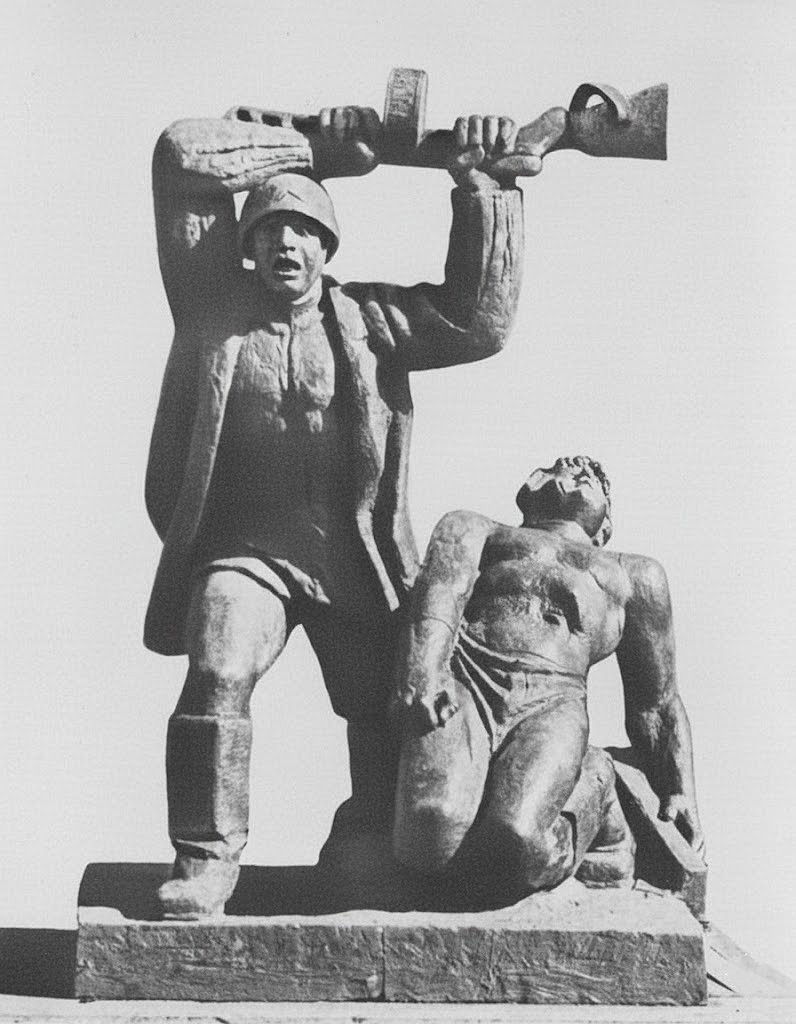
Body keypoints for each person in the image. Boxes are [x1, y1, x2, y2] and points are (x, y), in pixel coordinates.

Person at [145, 102, 540, 918]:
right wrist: (315, 148)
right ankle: (206, 858)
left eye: (303, 230)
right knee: (217, 669)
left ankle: (370, 844)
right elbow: (181, 155)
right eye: (267, 229)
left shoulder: (372, 322)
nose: (285, 243)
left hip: (354, 556)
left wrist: (483, 187)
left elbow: (479, 323)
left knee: (386, 708)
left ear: (328, 248)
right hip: (247, 550)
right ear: (244, 245)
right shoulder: (209, 305)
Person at [392, 456, 704, 905]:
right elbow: (442, 592)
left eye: (596, 480)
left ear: (606, 526)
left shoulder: (633, 575)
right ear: (532, 484)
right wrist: (425, 667)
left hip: (552, 704)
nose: (581, 469)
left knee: (516, 842)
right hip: (467, 684)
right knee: (427, 835)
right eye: (564, 467)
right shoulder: (474, 528)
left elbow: (656, 704)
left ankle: (597, 789)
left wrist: (680, 790)